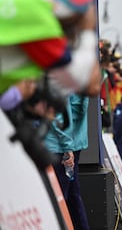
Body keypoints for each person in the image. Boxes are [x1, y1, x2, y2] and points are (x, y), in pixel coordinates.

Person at [44, 93, 90, 229]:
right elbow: (78, 109)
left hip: (60, 145)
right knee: (72, 195)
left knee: (62, 198)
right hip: (68, 144)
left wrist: (67, 145)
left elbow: (61, 115)